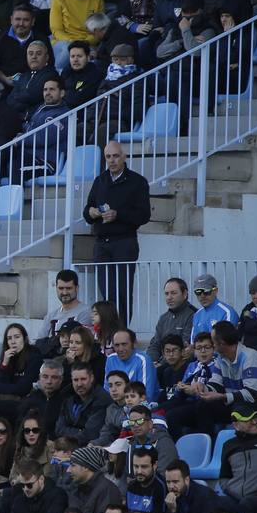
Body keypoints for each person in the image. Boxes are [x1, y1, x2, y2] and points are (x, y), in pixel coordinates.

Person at [83, 142, 150, 324]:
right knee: (106, 292)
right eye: (108, 157)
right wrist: (92, 212)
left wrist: (118, 215)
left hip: (124, 242)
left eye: (115, 156)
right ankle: (108, 334)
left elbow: (144, 215)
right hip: (102, 243)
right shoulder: (100, 180)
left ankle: (122, 332)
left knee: (122, 291)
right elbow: (87, 210)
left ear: (124, 156)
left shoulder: (137, 182)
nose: (112, 160)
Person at [66, 445, 125, 513]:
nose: (68, 470)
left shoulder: (107, 489)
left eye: (73, 465)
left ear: (86, 467)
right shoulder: (76, 487)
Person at [4, 459, 70, 513]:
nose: (25, 489)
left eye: (29, 485)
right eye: (22, 485)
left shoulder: (58, 496)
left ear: (41, 479)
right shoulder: (20, 499)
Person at [147, 278, 197, 366]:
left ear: (185, 294)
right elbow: (155, 344)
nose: (169, 297)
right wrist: (151, 363)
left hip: (181, 367)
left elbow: (182, 348)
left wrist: (161, 365)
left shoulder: (193, 315)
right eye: (166, 294)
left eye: (173, 293)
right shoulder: (163, 318)